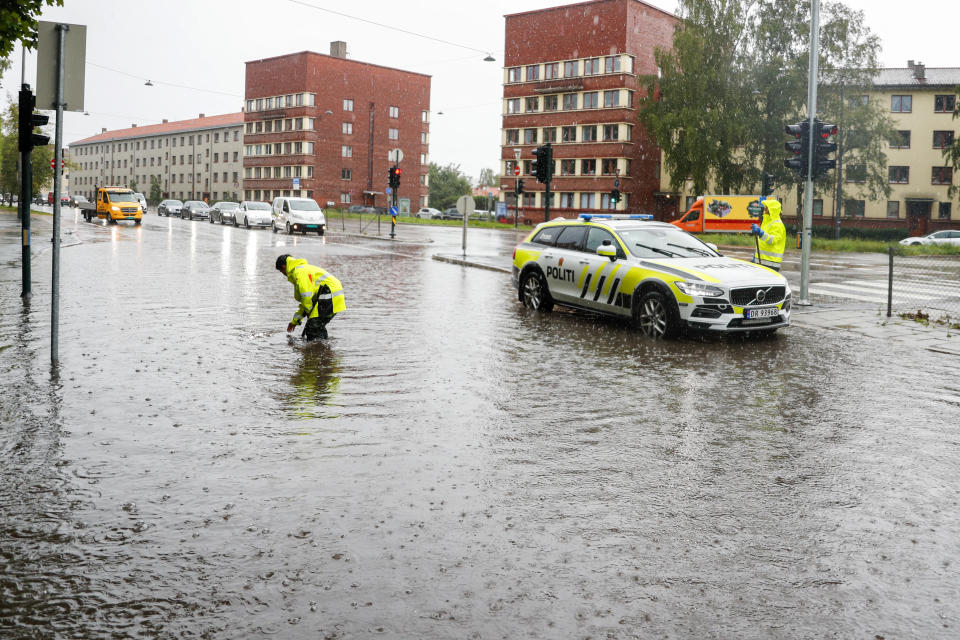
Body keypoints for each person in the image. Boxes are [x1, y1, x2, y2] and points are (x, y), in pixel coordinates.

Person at [275, 254, 345, 340]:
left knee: (313, 327)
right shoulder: (300, 270)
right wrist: (294, 321)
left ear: (284, 267)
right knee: (316, 325)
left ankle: (318, 349)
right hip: (331, 296)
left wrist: (308, 311)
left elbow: (306, 297)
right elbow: (305, 301)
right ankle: (323, 348)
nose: (283, 274)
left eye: (281, 271)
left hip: (329, 294)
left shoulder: (299, 272)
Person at [750, 198, 786, 271]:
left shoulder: (777, 224)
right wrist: (755, 255)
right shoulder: (767, 222)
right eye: (765, 209)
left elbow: (772, 240)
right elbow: (762, 242)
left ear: (772, 211)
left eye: (766, 209)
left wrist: (760, 233)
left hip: (771, 263)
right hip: (762, 260)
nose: (764, 211)